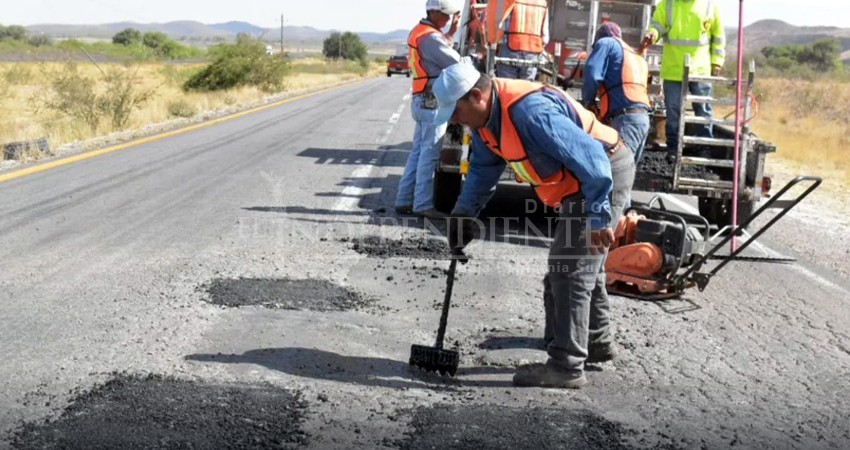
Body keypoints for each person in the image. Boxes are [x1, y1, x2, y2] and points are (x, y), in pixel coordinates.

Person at [433, 63, 633, 388]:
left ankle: (566, 366)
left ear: (476, 96)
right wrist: (463, 215)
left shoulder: (529, 112)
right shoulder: (485, 124)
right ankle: (595, 344)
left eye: (455, 111)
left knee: (569, 267)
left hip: (602, 173)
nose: (454, 120)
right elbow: (483, 170)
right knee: (583, 265)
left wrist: (598, 216)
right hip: (580, 182)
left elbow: (594, 162)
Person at [396, 0, 462, 218]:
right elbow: (454, 62)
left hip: (421, 99)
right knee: (429, 154)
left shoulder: (420, 31)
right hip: (431, 101)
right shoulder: (431, 37)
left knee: (417, 153)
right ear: (433, 12)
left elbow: (438, 52)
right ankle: (423, 205)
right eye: (445, 15)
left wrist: (451, 32)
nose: (447, 19)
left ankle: (404, 200)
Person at [642, 0, 725, 160]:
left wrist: (717, 61)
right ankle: (673, 148)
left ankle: (704, 147)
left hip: (700, 69)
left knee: (703, 109)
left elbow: (718, 36)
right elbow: (658, 25)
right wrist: (652, 33)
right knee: (673, 111)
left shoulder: (709, 5)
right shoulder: (667, 4)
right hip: (674, 68)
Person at [582, 22, 651, 164]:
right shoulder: (633, 54)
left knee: (616, 170)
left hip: (625, 120)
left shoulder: (606, 43)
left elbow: (592, 72)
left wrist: (588, 102)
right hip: (643, 119)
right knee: (626, 172)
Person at [495, 0, 549, 80]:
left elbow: (498, 25)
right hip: (532, 52)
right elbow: (545, 38)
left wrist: (496, 44)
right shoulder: (542, 3)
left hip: (510, 49)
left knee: (507, 85)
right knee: (525, 88)